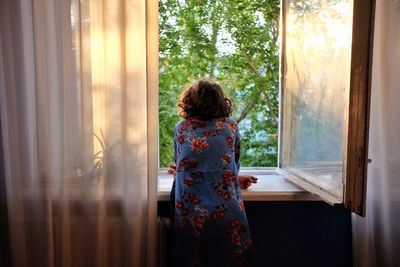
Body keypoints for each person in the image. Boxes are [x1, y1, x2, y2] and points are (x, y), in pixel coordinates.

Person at [169, 79, 257, 267]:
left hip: (191, 216)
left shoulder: (181, 128)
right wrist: (235, 177)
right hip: (227, 213)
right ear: (221, 101)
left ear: (189, 101)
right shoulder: (230, 126)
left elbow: (186, 164)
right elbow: (234, 162)